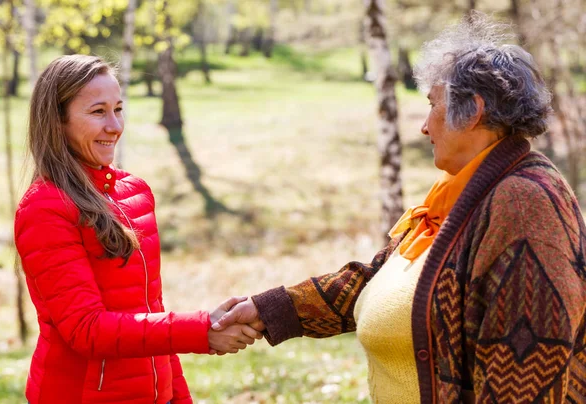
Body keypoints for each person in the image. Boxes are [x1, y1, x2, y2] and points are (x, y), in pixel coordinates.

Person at [213, 13, 586, 403]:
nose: (424, 127)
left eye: (432, 105)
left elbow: (527, 365)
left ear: (473, 111)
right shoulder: (460, 191)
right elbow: (377, 280)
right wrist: (269, 308)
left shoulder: (526, 204)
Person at [14, 54, 262, 404]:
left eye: (118, 109)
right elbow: (86, 330)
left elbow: (152, 312)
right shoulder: (44, 208)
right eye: (98, 112)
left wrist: (177, 396)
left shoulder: (136, 193)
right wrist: (201, 330)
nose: (114, 125)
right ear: (58, 122)